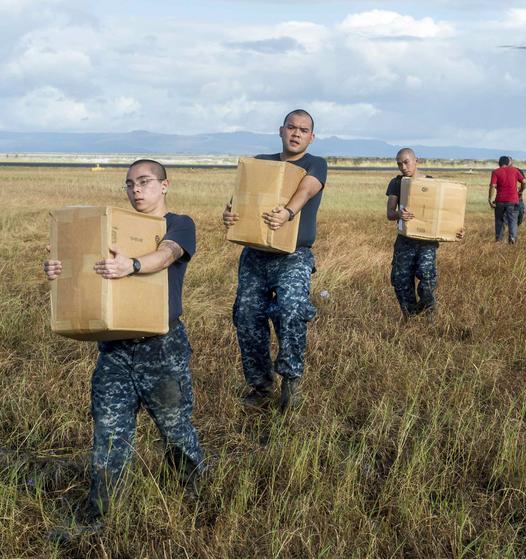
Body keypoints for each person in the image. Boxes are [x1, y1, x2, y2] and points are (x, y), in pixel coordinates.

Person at [43, 159, 205, 524]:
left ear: (165, 185)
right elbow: (83, 263)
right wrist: (58, 268)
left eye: (145, 182)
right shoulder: (114, 228)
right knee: (109, 432)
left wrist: (131, 264)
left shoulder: (178, 224)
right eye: (130, 184)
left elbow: (167, 254)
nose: (136, 189)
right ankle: (99, 515)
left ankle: (196, 503)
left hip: (161, 346)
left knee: (176, 430)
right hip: (114, 348)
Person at [223, 109, 328, 411]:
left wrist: (287, 212)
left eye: (303, 130)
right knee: (246, 315)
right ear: (281, 130)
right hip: (255, 254)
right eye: (291, 128)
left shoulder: (315, 164)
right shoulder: (261, 162)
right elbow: (243, 197)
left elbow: (308, 188)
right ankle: (261, 385)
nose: (296, 133)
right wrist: (230, 214)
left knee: (292, 310)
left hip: (294, 254)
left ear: (311, 136)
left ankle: (291, 381)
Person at [386, 148, 464, 318]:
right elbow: (390, 213)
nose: (403, 167)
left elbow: (445, 214)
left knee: (427, 279)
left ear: (416, 161)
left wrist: (455, 231)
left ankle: (428, 314)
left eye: (406, 162)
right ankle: (411, 317)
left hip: (427, 242)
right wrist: (399, 214)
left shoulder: (432, 184)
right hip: (405, 241)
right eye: (399, 163)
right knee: (401, 281)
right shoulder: (396, 183)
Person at [489, 155, 526, 243]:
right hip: (513, 200)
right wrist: (521, 190)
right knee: (513, 220)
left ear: (499, 163)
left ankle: (498, 239)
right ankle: (512, 238)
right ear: (509, 163)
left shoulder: (496, 172)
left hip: (500, 200)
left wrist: (490, 199)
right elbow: (524, 181)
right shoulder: (515, 171)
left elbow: (492, 186)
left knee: (499, 220)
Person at [510, 157, 526, 227]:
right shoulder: (500, 171)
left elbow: (524, 181)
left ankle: (515, 229)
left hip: (518, 197)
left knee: (520, 214)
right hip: (507, 198)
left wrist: (520, 190)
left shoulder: (517, 171)